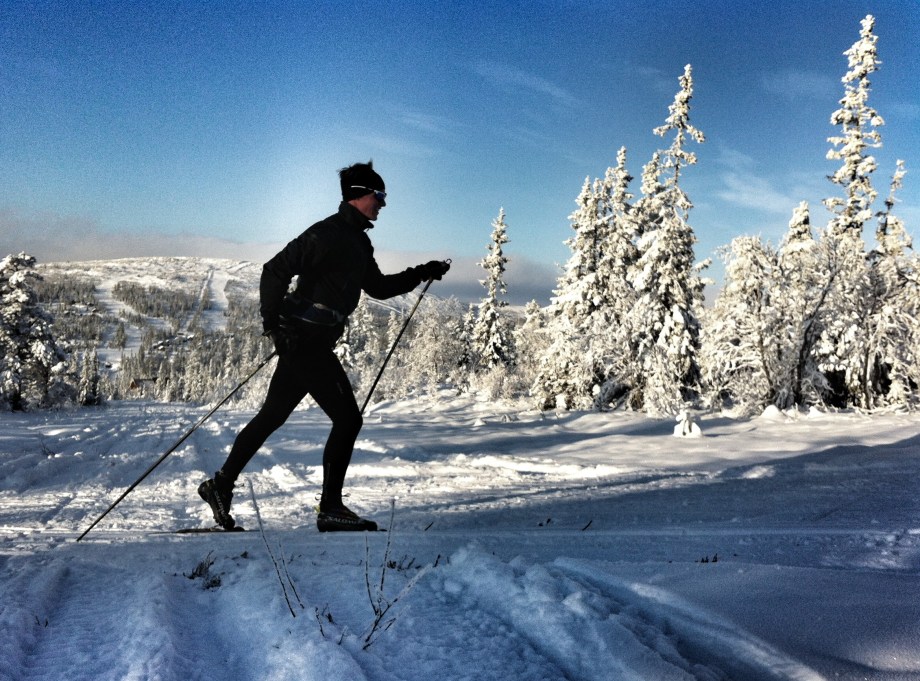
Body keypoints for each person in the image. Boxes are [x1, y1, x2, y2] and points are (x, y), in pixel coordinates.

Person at [198, 161, 450, 532]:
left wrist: (421, 272)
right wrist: (275, 328)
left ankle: (220, 485)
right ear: (357, 195)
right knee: (348, 419)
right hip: (304, 341)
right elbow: (274, 270)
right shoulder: (326, 234)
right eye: (378, 196)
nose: (382, 203)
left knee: (273, 416)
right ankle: (330, 507)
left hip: (311, 340)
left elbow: (377, 288)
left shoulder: (359, 241)